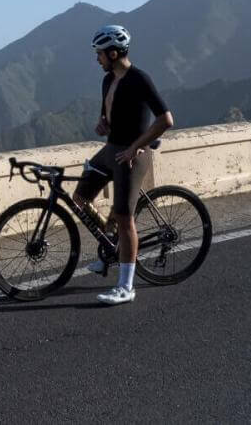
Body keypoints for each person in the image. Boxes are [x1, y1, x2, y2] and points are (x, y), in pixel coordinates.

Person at [73, 24, 174, 305]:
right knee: (79, 197)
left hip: (133, 155)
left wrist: (134, 148)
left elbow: (166, 119)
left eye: (100, 54)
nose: (97, 59)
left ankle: (126, 287)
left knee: (125, 218)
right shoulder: (108, 80)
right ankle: (111, 245)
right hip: (111, 150)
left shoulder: (140, 79)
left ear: (114, 53)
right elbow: (108, 115)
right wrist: (102, 123)